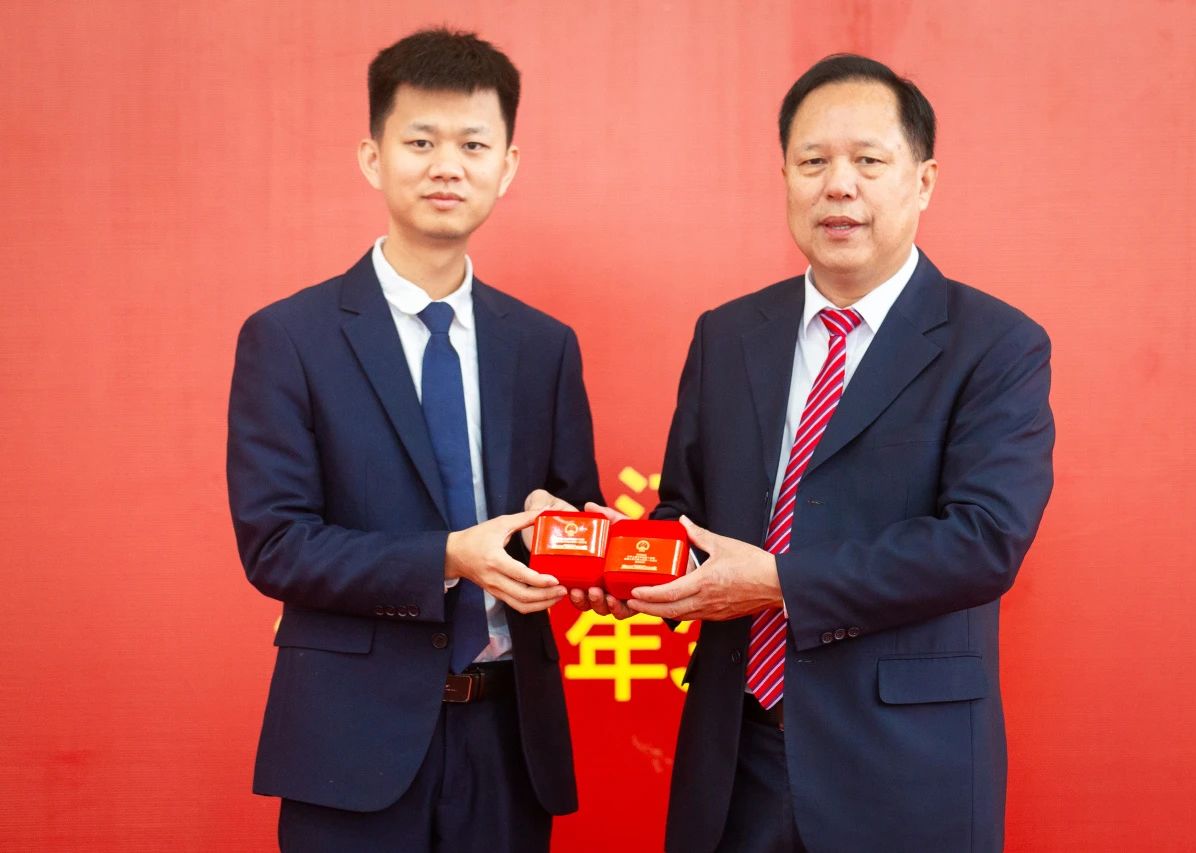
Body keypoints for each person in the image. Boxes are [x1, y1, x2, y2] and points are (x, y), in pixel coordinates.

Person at [580, 54, 1054, 851]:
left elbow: (982, 542)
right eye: (813, 162)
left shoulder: (995, 344)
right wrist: (626, 563)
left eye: (868, 161)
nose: (839, 186)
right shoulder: (728, 334)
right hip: (738, 757)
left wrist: (775, 581)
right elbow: (686, 514)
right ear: (785, 178)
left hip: (904, 765)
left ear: (923, 181)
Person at [226, 28, 601, 852]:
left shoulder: (543, 346)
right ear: (373, 157)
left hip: (509, 740)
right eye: (421, 142)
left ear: (507, 166)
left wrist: (580, 540)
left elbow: (571, 511)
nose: (447, 167)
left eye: (474, 145)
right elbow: (277, 545)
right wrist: (449, 556)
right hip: (348, 742)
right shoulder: (289, 338)